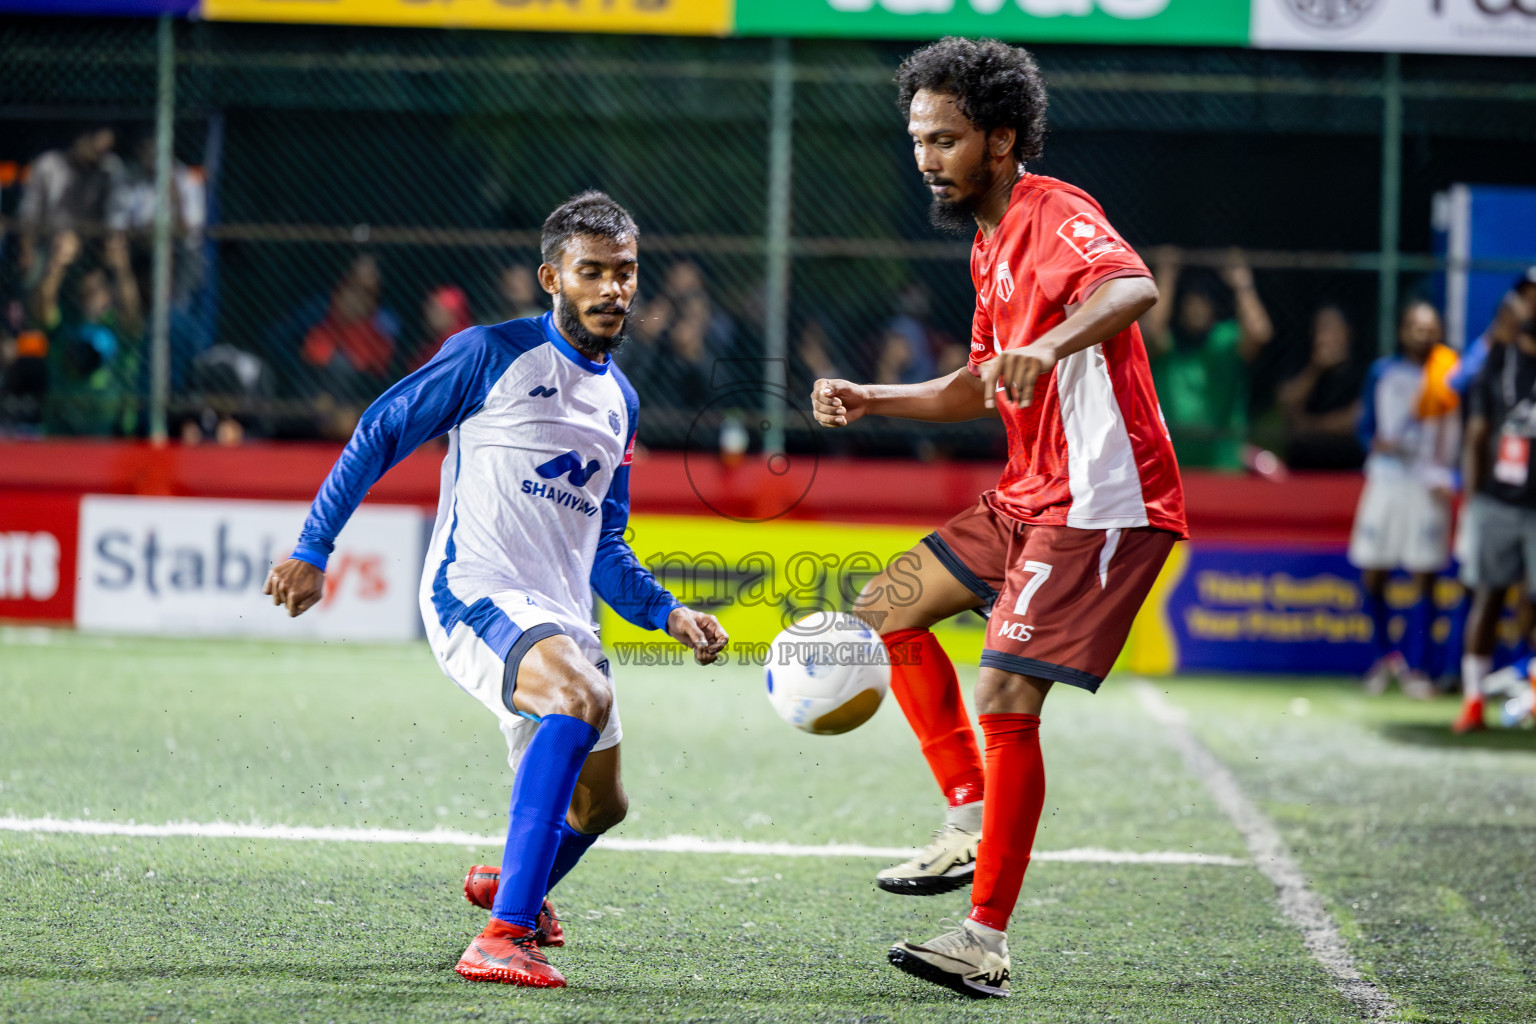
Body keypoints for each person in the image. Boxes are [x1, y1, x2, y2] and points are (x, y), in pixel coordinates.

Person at [263, 192, 727, 989]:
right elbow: (382, 428)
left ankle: (523, 882)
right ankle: (503, 935)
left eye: (626, 273)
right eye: (594, 272)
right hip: (475, 592)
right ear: (552, 278)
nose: (615, 289)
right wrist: (314, 545)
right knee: (577, 700)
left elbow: (604, 542)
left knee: (602, 808)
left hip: (561, 617)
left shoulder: (622, 401)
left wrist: (668, 612)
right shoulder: (490, 352)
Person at [811, 37, 1185, 999]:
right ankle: (966, 815)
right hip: (1027, 494)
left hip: (1102, 502)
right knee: (876, 614)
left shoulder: (1054, 211)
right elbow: (980, 384)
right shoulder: (984, 243)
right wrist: (875, 399)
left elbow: (1132, 287)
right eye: (918, 138)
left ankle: (983, 938)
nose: (927, 156)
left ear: (1002, 137)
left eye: (946, 138)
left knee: (1007, 700)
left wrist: (1052, 344)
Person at [1348, 301, 1460, 699]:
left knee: (1424, 574)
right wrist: (1373, 442)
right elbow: (1364, 428)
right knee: (1373, 570)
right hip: (1386, 481)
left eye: (1431, 326)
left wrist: (1453, 473)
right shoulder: (1382, 371)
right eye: (1416, 326)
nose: (1423, 333)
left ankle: (1418, 667)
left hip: (1427, 485)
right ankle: (1385, 659)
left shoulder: (1450, 374)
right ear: (1403, 330)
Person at [1454, 313, 1536, 733]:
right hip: (1497, 500)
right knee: (1488, 597)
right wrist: (1472, 501)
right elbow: (1476, 431)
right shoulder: (1496, 361)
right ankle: (1472, 700)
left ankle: (1532, 689)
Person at [1141, 247, 1273, 470]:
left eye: (1202, 303)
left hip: (1222, 466)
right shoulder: (1168, 347)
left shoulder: (1224, 342)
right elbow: (1152, 332)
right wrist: (1167, 277)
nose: (1196, 310)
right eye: (1190, 304)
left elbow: (1260, 333)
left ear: (1213, 308)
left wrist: (1242, 283)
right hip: (1173, 466)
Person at [1276, 305, 1366, 470]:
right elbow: (1288, 404)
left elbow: (1356, 419)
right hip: (1302, 467)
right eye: (1322, 329)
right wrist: (1316, 368)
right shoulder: (1303, 367)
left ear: (1347, 332)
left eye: (1333, 329)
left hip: (1348, 467)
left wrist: (1309, 427)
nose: (1327, 337)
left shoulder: (1362, 372)